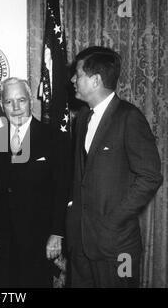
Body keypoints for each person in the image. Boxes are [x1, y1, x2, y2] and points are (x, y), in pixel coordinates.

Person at [66, 46, 163, 288]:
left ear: (96, 80)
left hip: (116, 247)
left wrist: (113, 220)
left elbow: (150, 177)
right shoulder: (82, 120)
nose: (73, 79)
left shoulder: (129, 117)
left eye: (78, 74)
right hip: (81, 245)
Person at [0, 77, 70, 287]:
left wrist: (57, 233)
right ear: (1, 106)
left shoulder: (54, 139)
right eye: (9, 102)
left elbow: (63, 189)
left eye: (21, 100)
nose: (16, 108)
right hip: (1, 242)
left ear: (31, 101)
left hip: (39, 241)